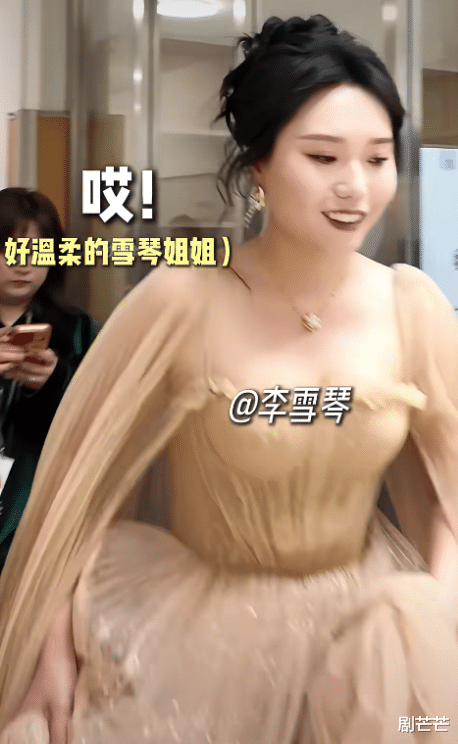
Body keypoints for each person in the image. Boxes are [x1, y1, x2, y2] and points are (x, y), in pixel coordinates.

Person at [0, 14, 458, 744]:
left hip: (368, 637)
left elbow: (448, 495)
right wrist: (53, 651)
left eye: (378, 159)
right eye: (323, 156)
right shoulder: (179, 301)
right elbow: (79, 498)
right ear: (259, 167)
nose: (356, 186)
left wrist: (430, 623)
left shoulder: (412, 304)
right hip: (200, 640)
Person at [0, 188, 100, 571]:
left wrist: (56, 382)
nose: (23, 265)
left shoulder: (79, 330)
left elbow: (103, 422)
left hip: (42, 514)